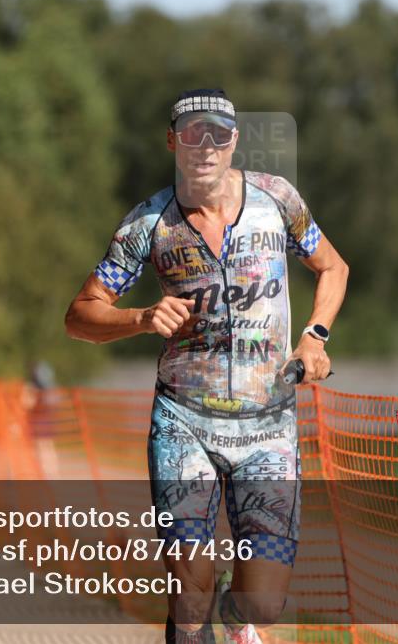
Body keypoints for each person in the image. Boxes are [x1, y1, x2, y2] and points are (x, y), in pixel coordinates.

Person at [65, 89, 348, 644]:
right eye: (193, 133)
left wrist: (314, 338)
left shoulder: (277, 199)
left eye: (218, 134)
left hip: (268, 426)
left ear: (234, 140)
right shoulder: (149, 224)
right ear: (173, 141)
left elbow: (333, 267)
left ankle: (236, 617)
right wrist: (142, 318)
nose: (206, 146)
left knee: (262, 604)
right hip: (183, 423)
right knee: (189, 592)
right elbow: (80, 315)